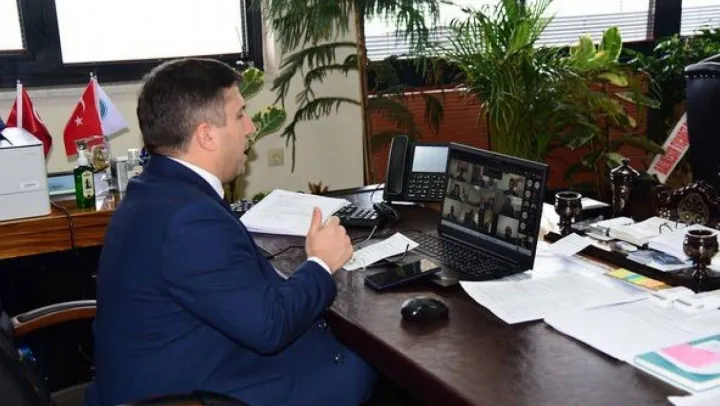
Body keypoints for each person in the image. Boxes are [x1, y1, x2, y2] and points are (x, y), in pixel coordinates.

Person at [85, 58, 377, 406]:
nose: (250, 127)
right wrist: (321, 263)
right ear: (207, 135)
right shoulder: (190, 219)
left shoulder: (152, 189)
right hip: (191, 393)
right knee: (366, 367)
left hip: (171, 369)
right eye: (240, 115)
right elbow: (270, 328)